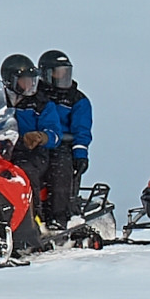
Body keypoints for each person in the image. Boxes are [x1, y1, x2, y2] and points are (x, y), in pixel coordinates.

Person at [35, 49, 93, 228]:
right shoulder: (34, 94)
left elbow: (81, 129)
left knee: (60, 170)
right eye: (57, 72)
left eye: (65, 72)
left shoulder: (77, 99)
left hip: (63, 146)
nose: (62, 76)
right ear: (45, 74)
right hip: (36, 143)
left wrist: (80, 154)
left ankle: (58, 217)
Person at [1, 54, 49, 188]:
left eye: (32, 80)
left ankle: (34, 208)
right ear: (11, 80)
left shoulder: (41, 103)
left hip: (32, 153)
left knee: (25, 172)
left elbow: (54, 131)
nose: (30, 84)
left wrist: (41, 137)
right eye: (25, 80)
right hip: (2, 150)